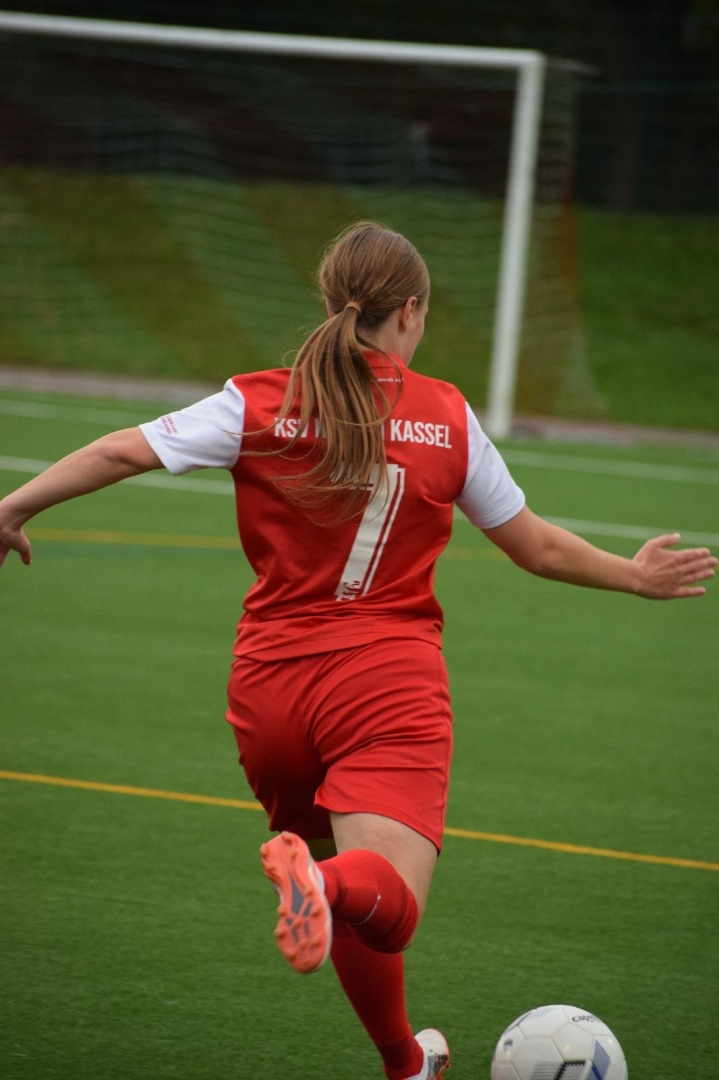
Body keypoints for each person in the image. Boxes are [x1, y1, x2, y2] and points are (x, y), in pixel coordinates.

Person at [0, 222, 715, 1080]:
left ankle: (404, 1061)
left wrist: (13, 508)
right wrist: (633, 576)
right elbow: (534, 546)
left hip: (267, 693)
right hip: (385, 684)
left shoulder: (259, 401)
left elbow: (122, 448)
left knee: (351, 881)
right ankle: (322, 883)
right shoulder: (445, 416)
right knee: (386, 899)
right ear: (409, 310)